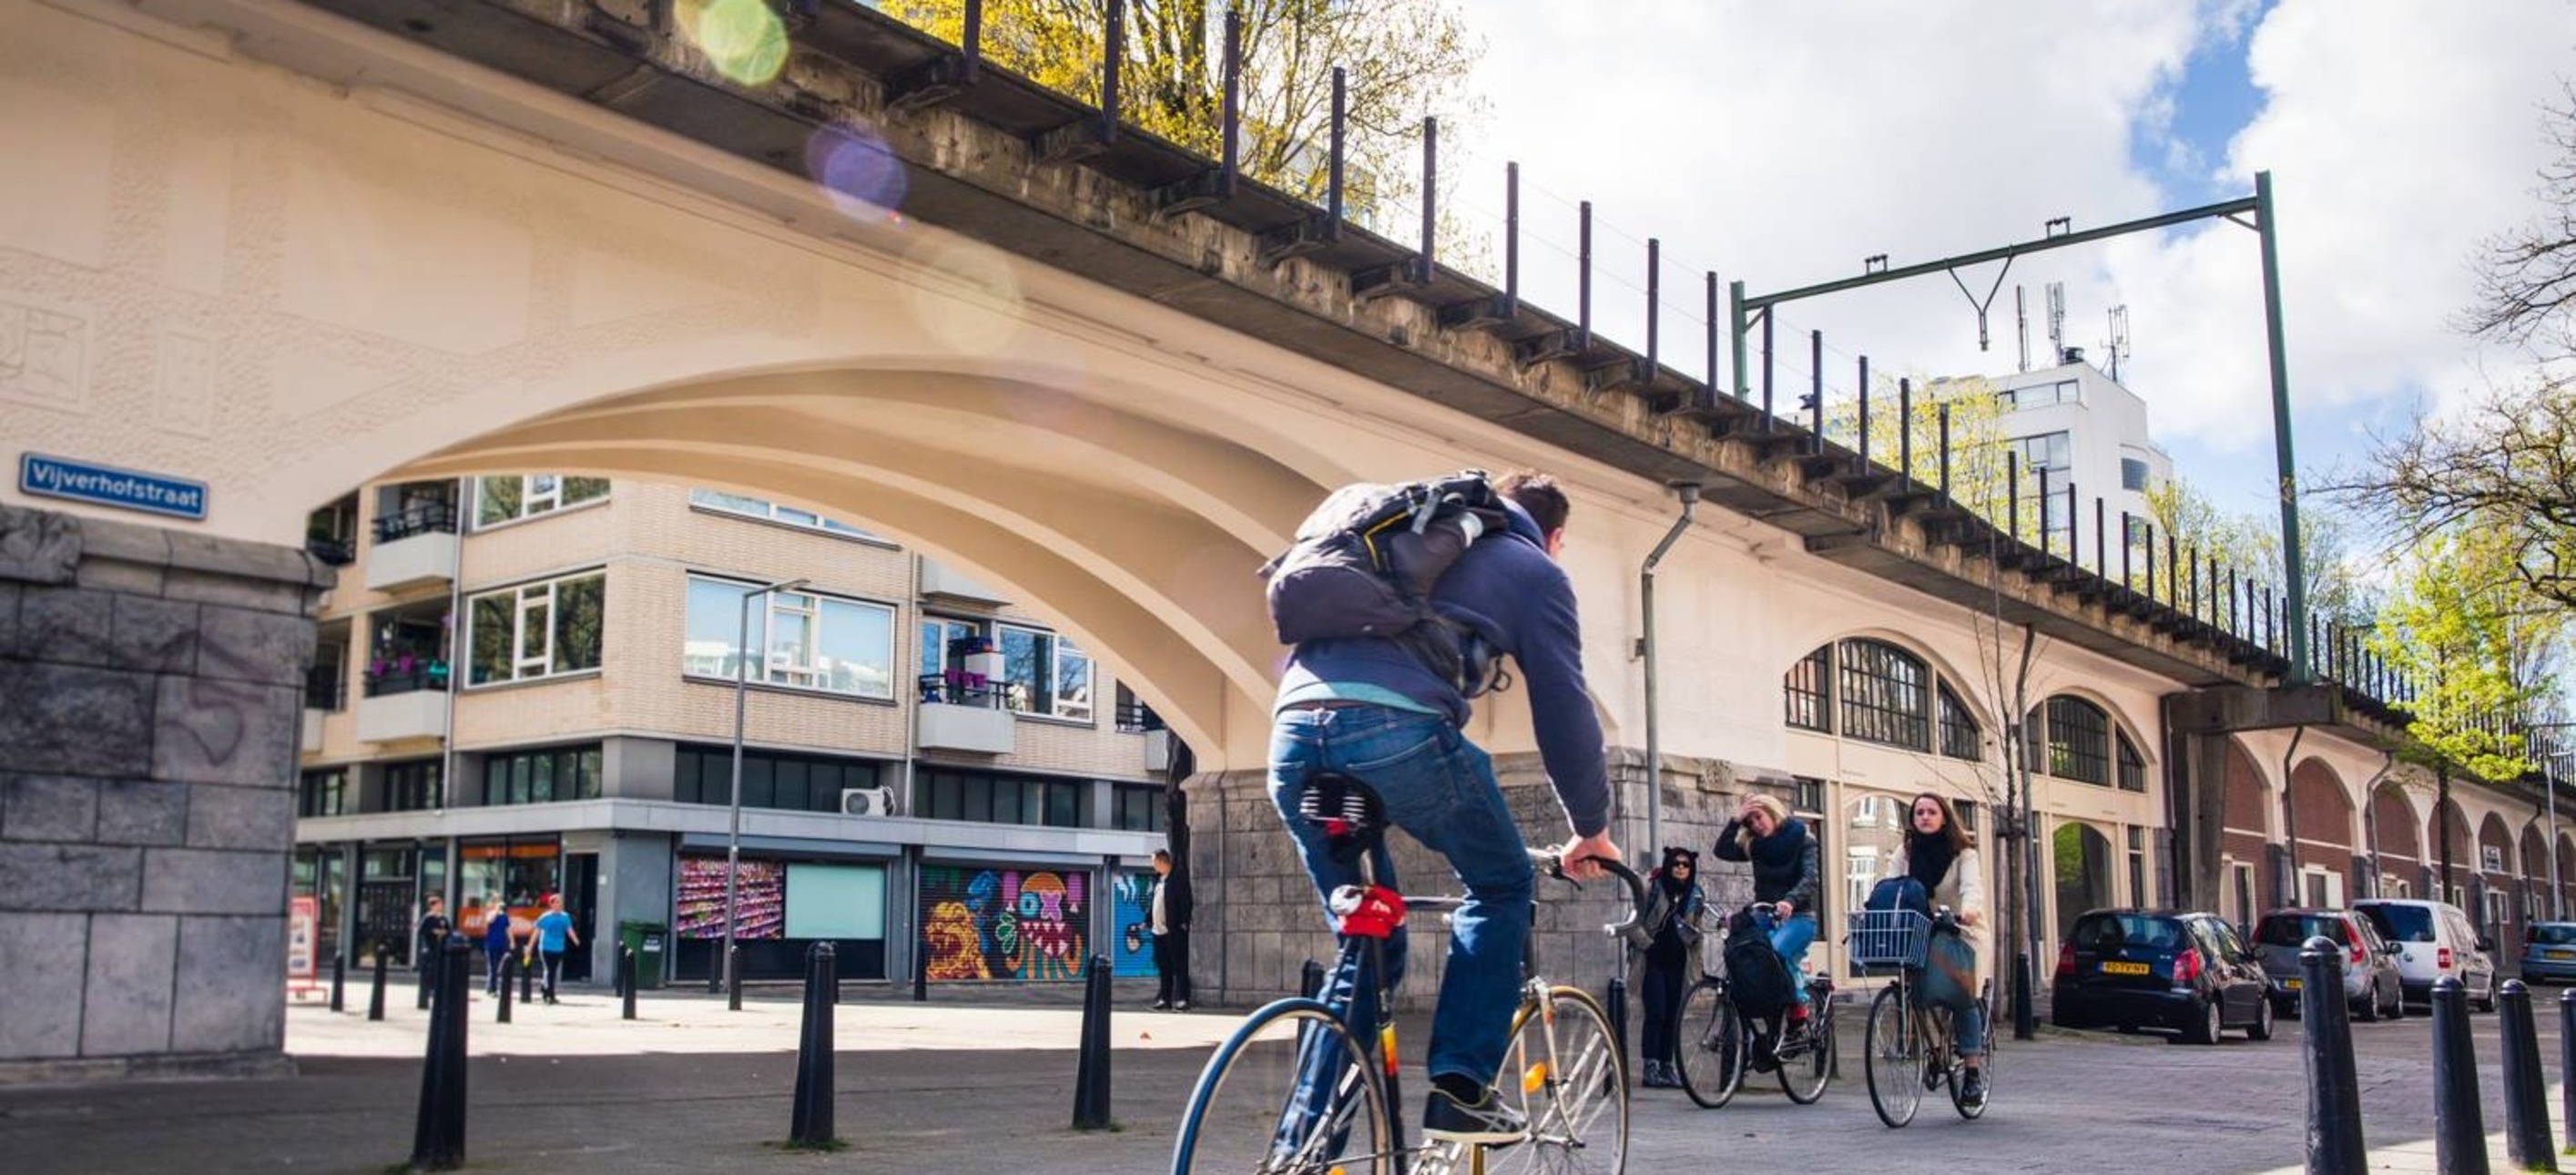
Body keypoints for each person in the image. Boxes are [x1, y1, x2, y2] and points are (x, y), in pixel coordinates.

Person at [1269, 469, 1622, 1145]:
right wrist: (1589, 829)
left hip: (1293, 737)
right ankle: (1461, 1088)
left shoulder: (1399, 529)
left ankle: (1302, 1149)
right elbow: (1563, 709)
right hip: (1396, 733)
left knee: (1368, 946)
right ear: (1554, 536)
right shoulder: (1532, 569)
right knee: (1499, 883)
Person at [1887, 792, 1989, 1106]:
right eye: (1919, 813)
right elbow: (1890, 886)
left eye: (1932, 812)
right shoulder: (1904, 853)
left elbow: (1972, 888)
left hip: (1960, 930)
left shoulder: (1963, 854)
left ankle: (1971, 1074)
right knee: (1911, 985)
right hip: (1922, 931)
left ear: (1944, 816)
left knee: (1962, 995)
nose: (1925, 817)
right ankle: (1917, 1041)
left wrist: (1968, 911)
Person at [1710, 792, 1821, 1039]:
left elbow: (1810, 878)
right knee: (1742, 951)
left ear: (1772, 811)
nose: (1756, 825)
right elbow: (1722, 850)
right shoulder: (1754, 844)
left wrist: (1790, 901)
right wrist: (1736, 820)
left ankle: (1798, 1013)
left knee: (1775, 954)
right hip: (1765, 914)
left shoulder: (1803, 838)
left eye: (1758, 817)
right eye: (1750, 822)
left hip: (1798, 917)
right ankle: (1762, 1009)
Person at [1635, 848, 1705, 1088]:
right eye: (1676, 863)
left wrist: (1698, 970)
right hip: (1653, 960)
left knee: (1673, 1015)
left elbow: (1698, 933)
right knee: (1656, 1011)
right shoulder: (1654, 888)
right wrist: (1647, 944)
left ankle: (1667, 1066)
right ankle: (1650, 1066)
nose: (1680, 868)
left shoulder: (1695, 895)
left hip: (1679, 963)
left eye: (1686, 865)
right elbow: (1634, 922)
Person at [1149, 848, 1193, 1012]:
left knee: (1179, 966)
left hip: (1173, 930)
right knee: (1163, 967)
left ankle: (1182, 999)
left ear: (1162, 861)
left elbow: (1186, 901)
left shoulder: (1177, 879)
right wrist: (1148, 920)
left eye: (1154, 863)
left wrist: (1183, 922)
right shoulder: (1158, 880)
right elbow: (1154, 903)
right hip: (1157, 930)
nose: (1153, 866)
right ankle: (1165, 999)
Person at [529, 894, 579, 1005]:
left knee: (552, 971)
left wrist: (576, 940)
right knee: (550, 970)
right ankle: (550, 996)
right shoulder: (545, 917)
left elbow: (569, 930)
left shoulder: (565, 917)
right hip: (546, 948)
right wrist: (530, 947)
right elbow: (536, 933)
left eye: (560, 902)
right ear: (551, 904)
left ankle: (544, 987)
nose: (559, 904)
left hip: (558, 948)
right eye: (557, 902)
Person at [414, 895, 451, 986]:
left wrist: (444, 932)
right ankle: (430, 985)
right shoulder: (428, 918)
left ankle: (439, 984)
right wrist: (433, 931)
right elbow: (421, 930)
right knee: (431, 966)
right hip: (430, 945)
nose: (441, 907)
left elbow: (449, 930)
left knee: (441, 966)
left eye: (441, 905)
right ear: (432, 906)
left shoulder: (443, 918)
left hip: (441, 946)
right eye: (439, 905)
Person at [481, 894, 514, 996]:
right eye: (496, 901)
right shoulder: (490, 913)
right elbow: (489, 921)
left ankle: (490, 986)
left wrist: (512, 941)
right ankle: (493, 988)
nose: (498, 903)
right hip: (491, 944)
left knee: (498, 966)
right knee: (493, 966)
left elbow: (508, 929)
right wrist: (496, 910)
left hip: (501, 943)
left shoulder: (504, 916)